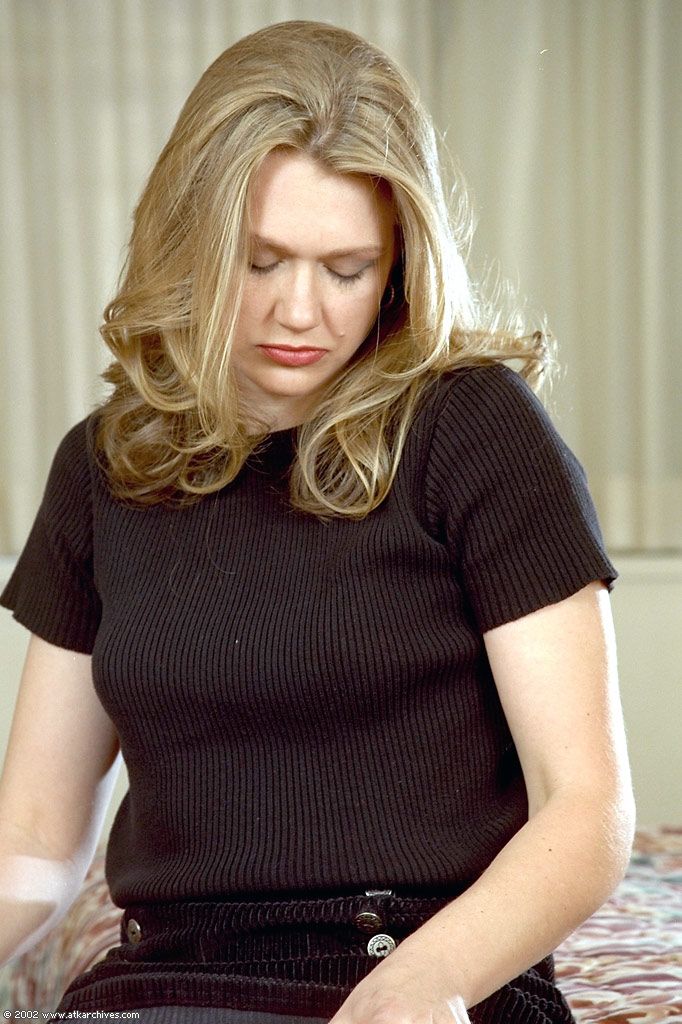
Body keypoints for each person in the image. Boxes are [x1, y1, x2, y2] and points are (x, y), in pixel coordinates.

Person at [0, 19, 634, 1024]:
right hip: (163, 981)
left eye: (347, 269)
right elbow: (35, 833)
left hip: (416, 968)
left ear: (399, 266)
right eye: (260, 262)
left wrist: (420, 985)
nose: (300, 311)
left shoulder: (475, 429)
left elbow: (586, 810)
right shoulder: (103, 465)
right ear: (188, 246)